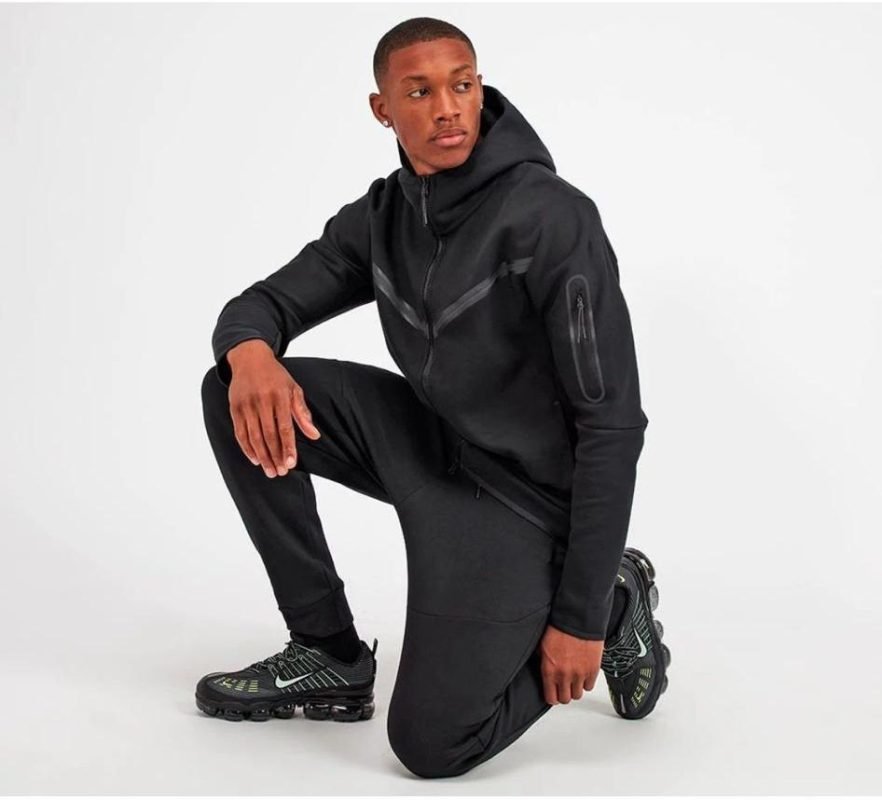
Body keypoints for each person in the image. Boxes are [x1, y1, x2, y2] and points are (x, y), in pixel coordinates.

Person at [197, 16, 670, 779]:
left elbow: (612, 425)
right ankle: (327, 652)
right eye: (419, 92)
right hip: (433, 449)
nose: (447, 108)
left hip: (523, 505)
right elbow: (263, 305)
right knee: (233, 391)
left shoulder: (551, 217)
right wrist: (248, 351)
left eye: (462, 84)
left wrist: (579, 618)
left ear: (481, 88)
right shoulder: (385, 215)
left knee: (432, 745)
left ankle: (616, 600)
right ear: (382, 109)